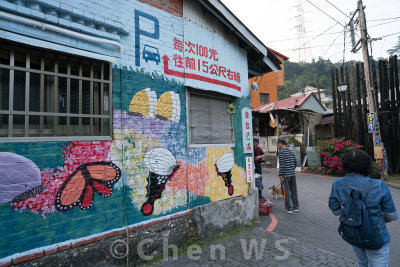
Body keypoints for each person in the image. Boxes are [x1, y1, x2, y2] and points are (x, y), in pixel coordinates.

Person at [329, 149, 398, 267]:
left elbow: (334, 207)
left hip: (353, 232)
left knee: (362, 262)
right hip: (376, 235)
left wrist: (349, 214)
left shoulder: (338, 184)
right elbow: (391, 215)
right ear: (366, 164)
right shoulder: (378, 185)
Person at [277, 138, 298, 214]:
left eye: (277, 144)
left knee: (286, 192)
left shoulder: (281, 152)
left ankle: (289, 208)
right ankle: (296, 207)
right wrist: (291, 170)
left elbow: (281, 165)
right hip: (293, 174)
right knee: (293, 191)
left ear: (280, 143)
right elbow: (295, 162)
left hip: (285, 175)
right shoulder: (290, 151)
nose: (277, 145)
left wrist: (280, 175)